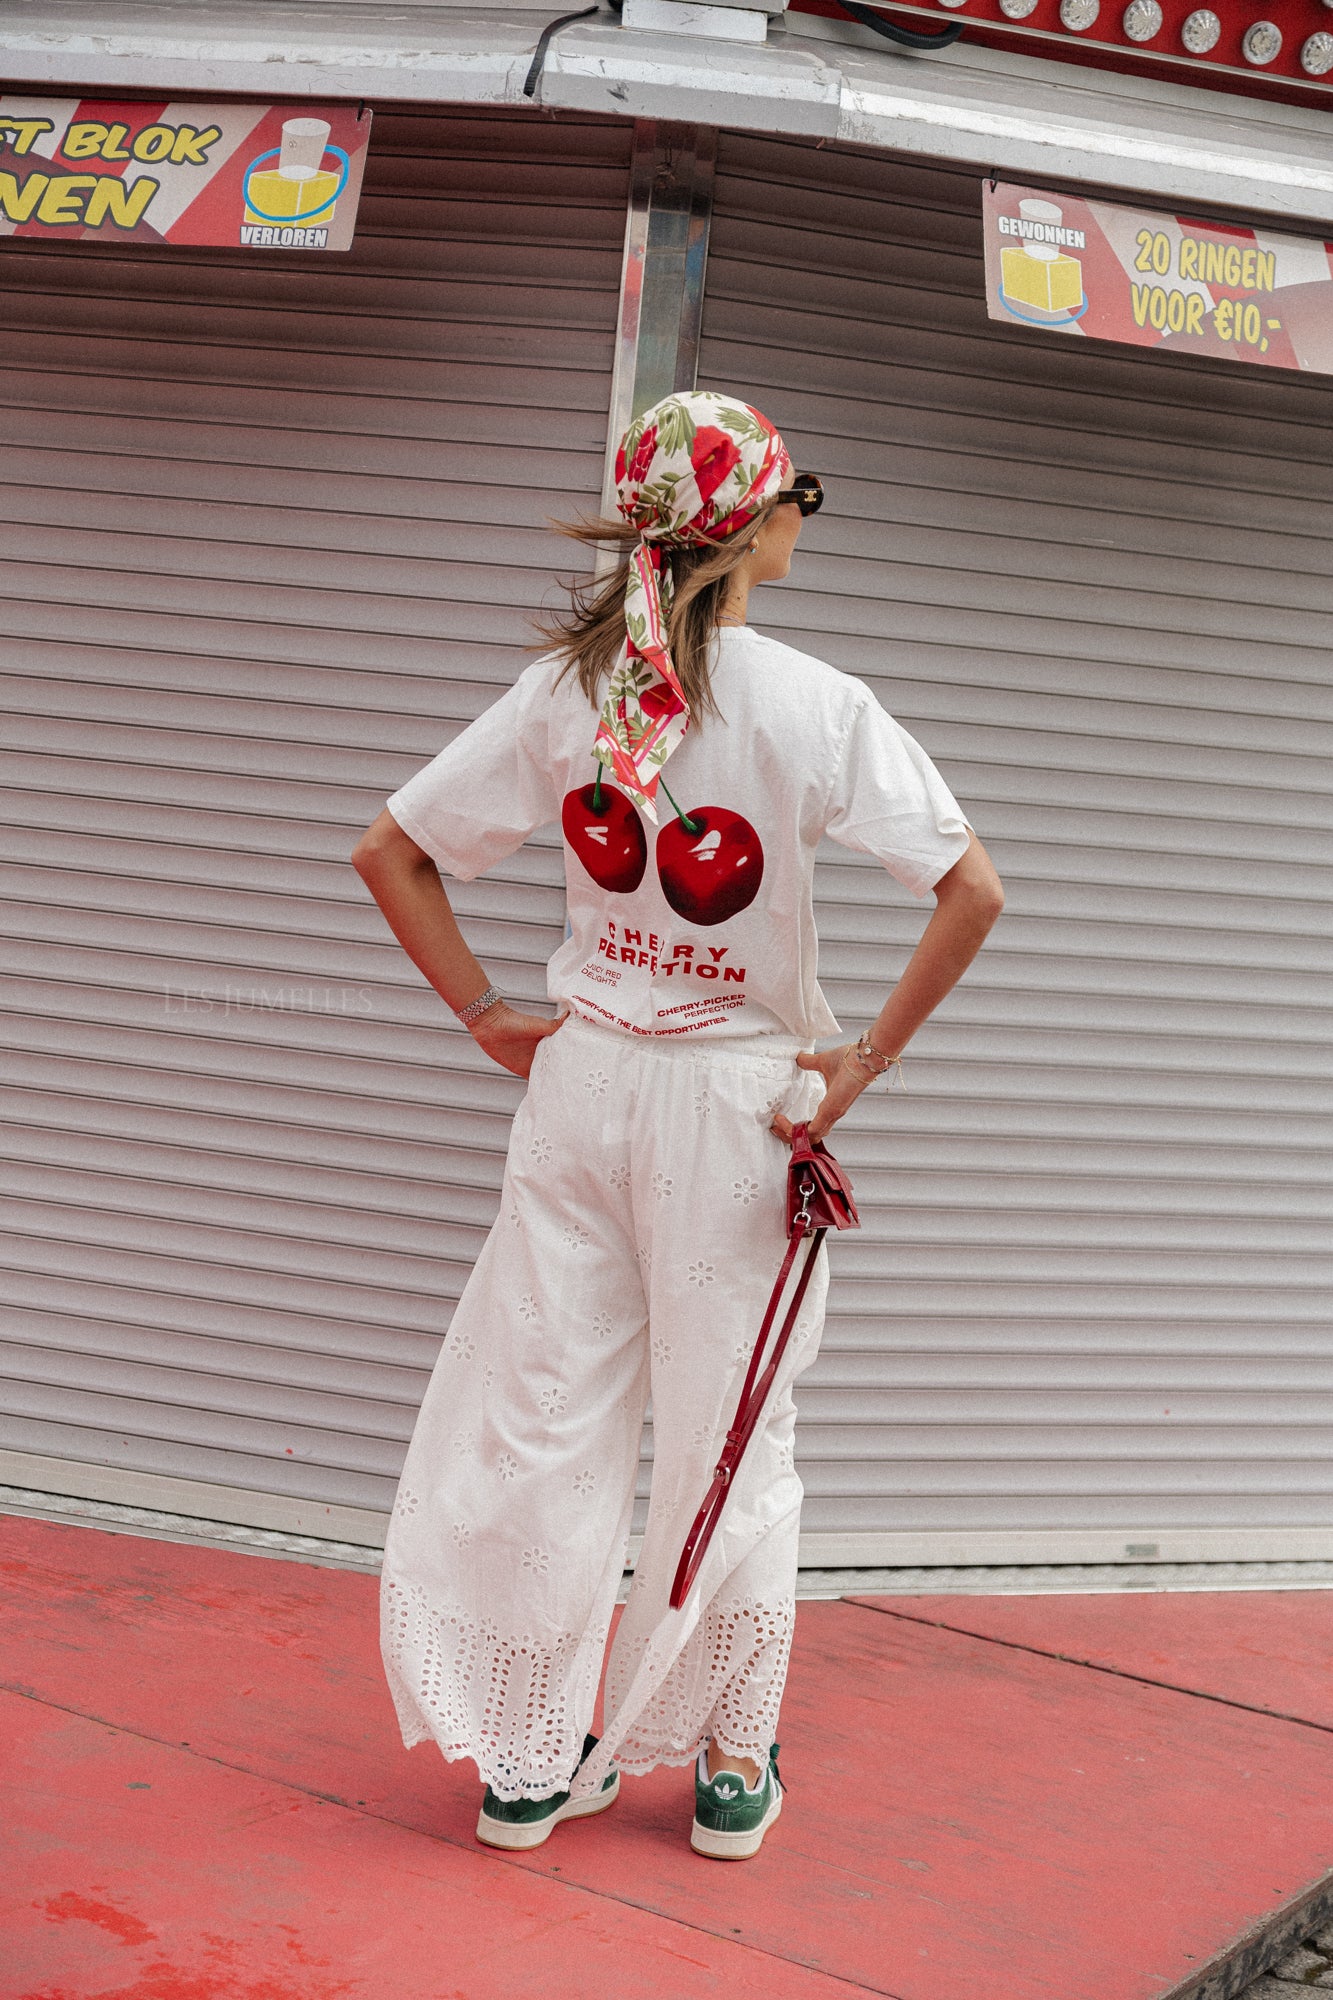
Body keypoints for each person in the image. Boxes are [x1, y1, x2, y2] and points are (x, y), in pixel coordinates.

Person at [352, 389, 1003, 1861]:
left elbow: (390, 853)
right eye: (797, 497)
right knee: (736, 1441)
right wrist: (858, 1066)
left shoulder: (564, 692)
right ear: (754, 525)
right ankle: (724, 1768)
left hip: (581, 1085)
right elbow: (972, 890)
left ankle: (520, 1765)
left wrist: (486, 1016)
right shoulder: (815, 706)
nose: (800, 522)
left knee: (543, 1418)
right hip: (737, 1110)